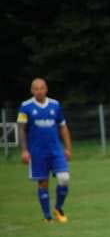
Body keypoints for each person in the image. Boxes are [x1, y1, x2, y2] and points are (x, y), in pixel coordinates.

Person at [17, 78, 72, 223]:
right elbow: (21, 129)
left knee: (64, 178)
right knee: (43, 182)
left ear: (46, 89)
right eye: (36, 89)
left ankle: (58, 208)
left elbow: (63, 126)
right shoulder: (26, 106)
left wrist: (67, 148)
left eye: (42, 88)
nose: (39, 91)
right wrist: (24, 150)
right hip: (37, 152)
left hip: (56, 150)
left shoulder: (55, 105)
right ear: (32, 90)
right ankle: (48, 217)